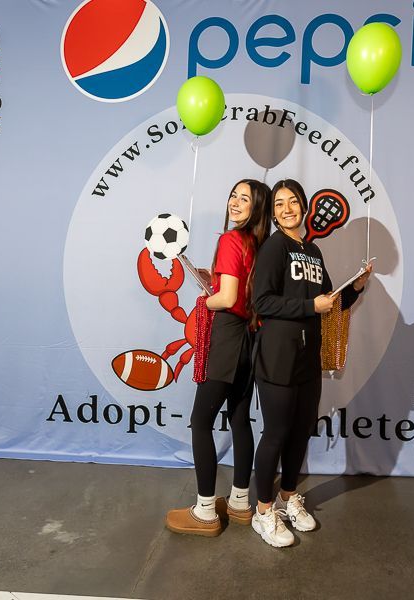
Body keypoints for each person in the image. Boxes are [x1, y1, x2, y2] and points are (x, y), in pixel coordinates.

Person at [250, 178, 371, 547]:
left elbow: (329, 301)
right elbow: (262, 302)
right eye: (280, 204)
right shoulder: (274, 247)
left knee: (300, 430)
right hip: (277, 356)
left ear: (304, 206)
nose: (288, 209)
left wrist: (356, 287)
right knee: (276, 434)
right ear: (273, 212)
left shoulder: (314, 252)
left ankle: (288, 498)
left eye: (293, 202)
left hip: (308, 357)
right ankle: (263, 510)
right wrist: (308, 307)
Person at [165, 179, 271, 537]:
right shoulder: (258, 245)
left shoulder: (230, 239)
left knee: (201, 422)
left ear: (256, 208)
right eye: (234, 195)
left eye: (245, 199)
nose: (235, 202)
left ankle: (206, 510)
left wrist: (204, 300)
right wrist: (218, 281)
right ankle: (241, 502)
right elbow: (241, 291)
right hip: (249, 342)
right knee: (240, 421)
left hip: (226, 336)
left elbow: (226, 300)